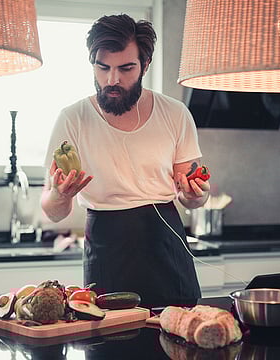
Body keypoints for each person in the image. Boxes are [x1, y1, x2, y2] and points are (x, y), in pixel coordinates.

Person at [41, 14, 210, 308]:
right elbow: (53, 212)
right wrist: (59, 195)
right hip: (108, 250)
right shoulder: (72, 119)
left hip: (167, 245)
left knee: (180, 342)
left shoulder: (175, 113)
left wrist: (197, 195)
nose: (112, 79)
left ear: (145, 65)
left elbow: (190, 197)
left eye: (126, 68)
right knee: (109, 344)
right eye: (102, 67)